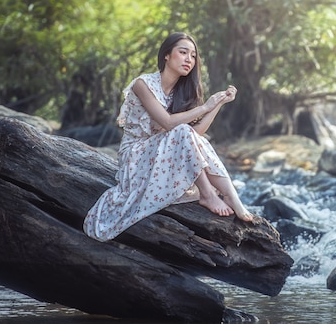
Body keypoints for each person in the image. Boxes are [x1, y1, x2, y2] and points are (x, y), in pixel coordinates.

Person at [84, 32, 253, 242]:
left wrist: (217, 104)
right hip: (136, 159)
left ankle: (231, 196)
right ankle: (208, 194)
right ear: (166, 55)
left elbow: (195, 134)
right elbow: (168, 123)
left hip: (162, 157)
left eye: (192, 56)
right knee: (181, 130)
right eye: (183, 53)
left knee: (195, 137)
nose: (188, 59)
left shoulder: (181, 92)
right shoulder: (142, 84)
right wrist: (205, 106)